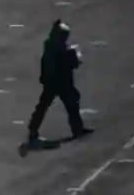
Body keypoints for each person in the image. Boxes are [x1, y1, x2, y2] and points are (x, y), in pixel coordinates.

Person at [24, 19, 93, 149]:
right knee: (69, 105)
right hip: (60, 82)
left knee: (44, 107)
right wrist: (74, 55)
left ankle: (33, 132)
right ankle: (77, 129)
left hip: (52, 82)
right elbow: (74, 63)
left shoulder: (50, 47)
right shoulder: (61, 51)